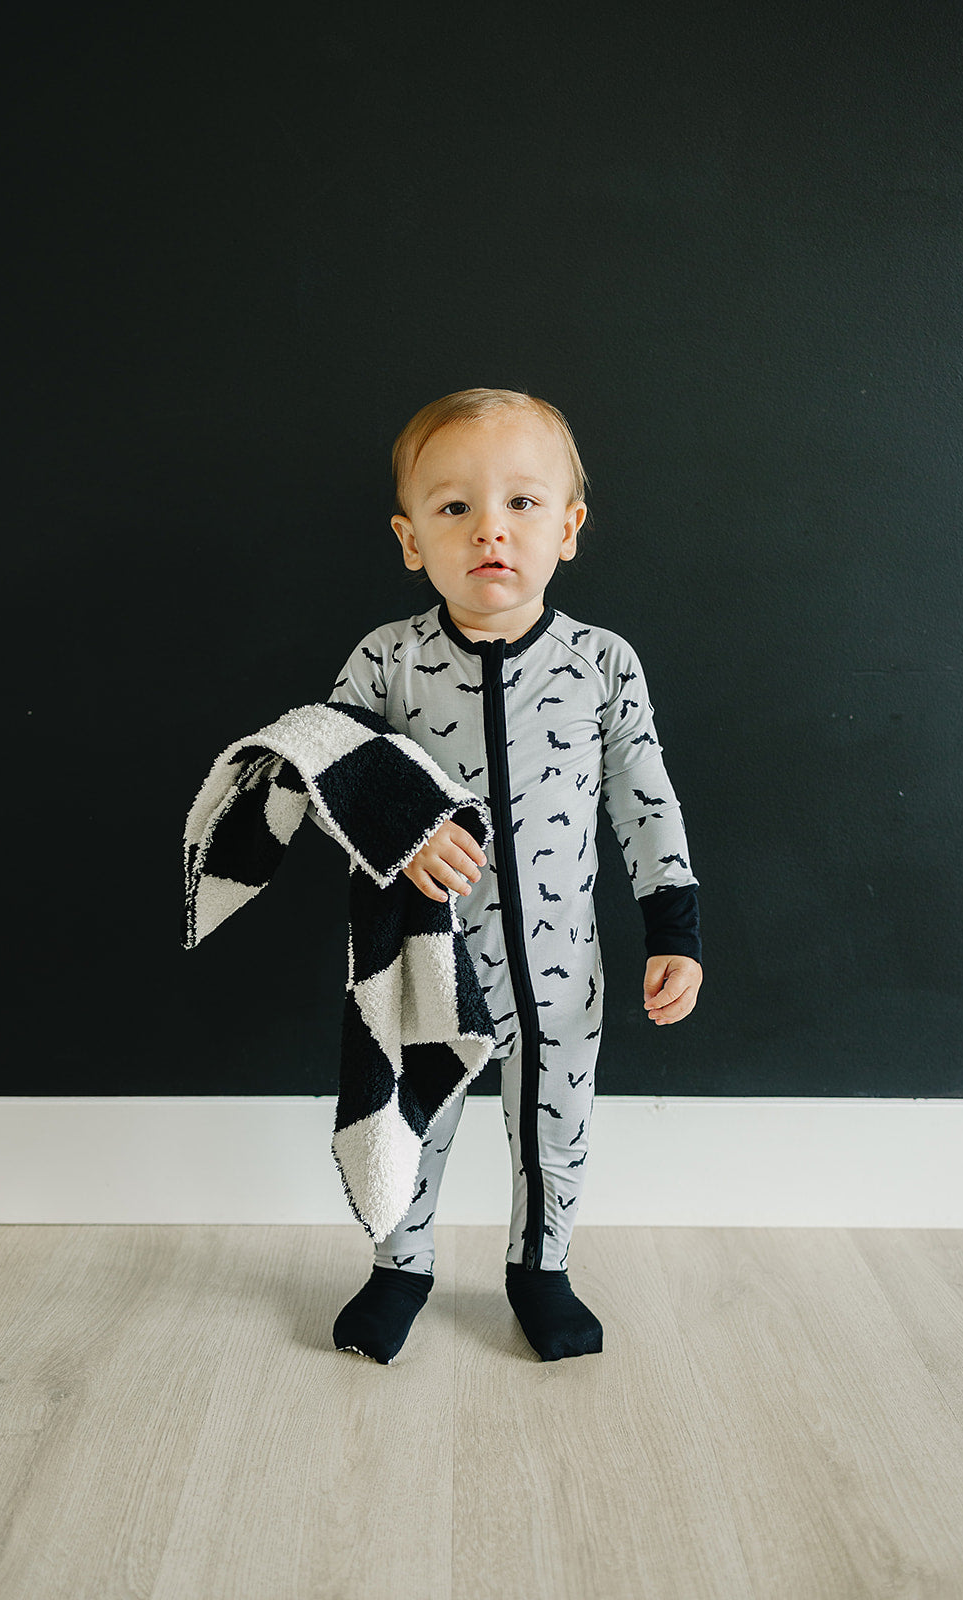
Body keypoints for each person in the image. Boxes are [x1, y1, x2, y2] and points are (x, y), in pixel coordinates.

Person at [324, 387, 702, 1363]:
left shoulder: (599, 663)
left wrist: (674, 934)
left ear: (567, 528)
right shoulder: (388, 661)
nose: (489, 528)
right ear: (410, 540)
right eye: (455, 507)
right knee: (413, 1115)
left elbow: (644, 797)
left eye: (522, 503)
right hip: (425, 957)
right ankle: (399, 1267)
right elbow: (329, 764)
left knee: (554, 1119)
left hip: (560, 962)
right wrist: (404, 830)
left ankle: (541, 1268)